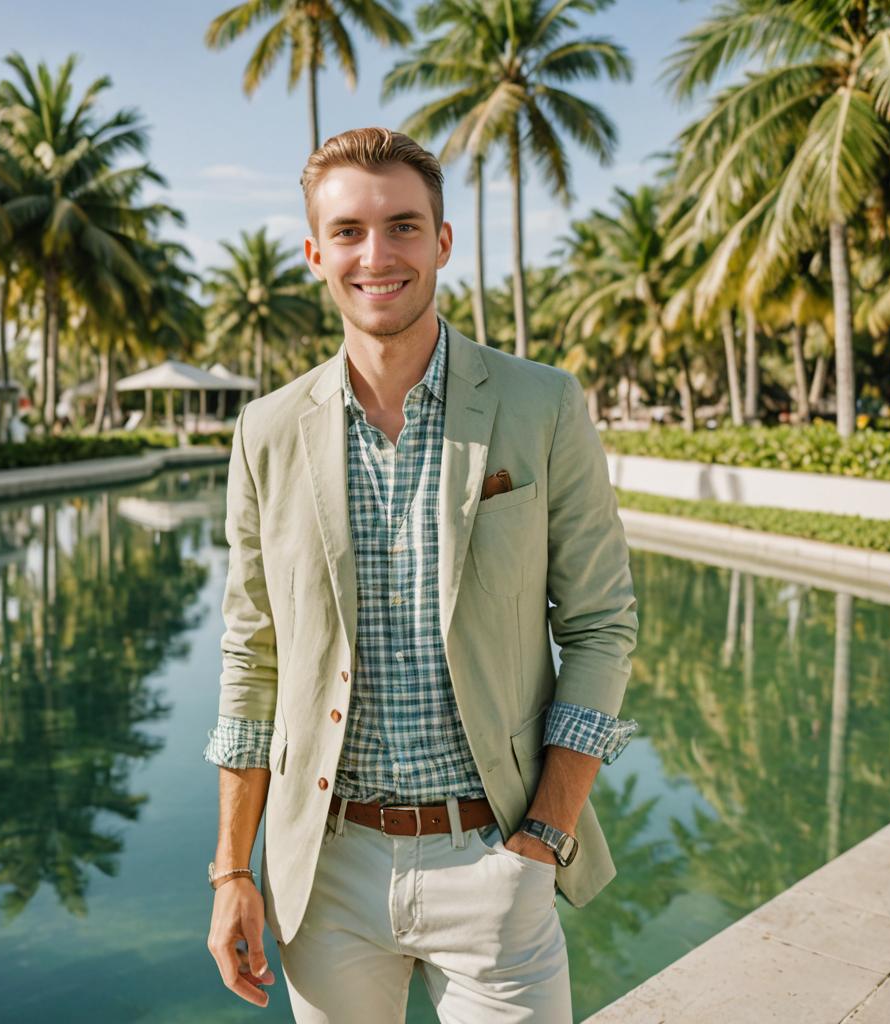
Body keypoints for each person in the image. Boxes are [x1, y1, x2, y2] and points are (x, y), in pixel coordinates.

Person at [202, 126, 639, 1023]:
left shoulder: (541, 403)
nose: (378, 255)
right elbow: (252, 662)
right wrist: (232, 870)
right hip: (324, 874)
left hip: (493, 859)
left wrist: (544, 838)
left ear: (442, 242)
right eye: (351, 232)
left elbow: (600, 627)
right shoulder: (267, 432)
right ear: (316, 251)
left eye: (403, 226)